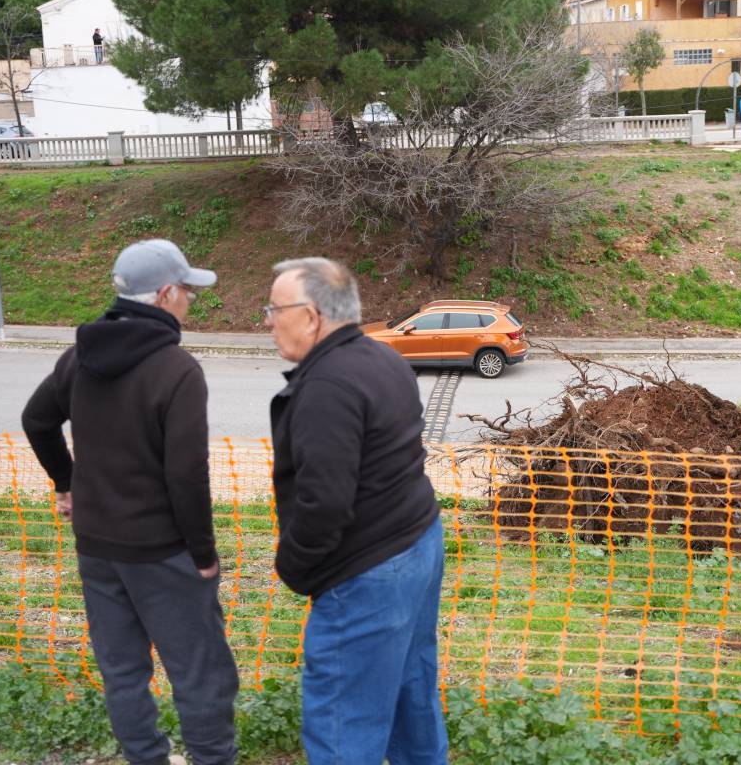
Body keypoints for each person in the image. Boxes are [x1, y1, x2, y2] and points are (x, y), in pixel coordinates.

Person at [22, 239, 238, 765]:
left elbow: (37, 420)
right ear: (164, 295)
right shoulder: (176, 369)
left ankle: (147, 758)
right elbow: (186, 474)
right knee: (200, 671)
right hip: (163, 551)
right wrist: (203, 554)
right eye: (186, 291)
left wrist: (67, 482)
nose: (189, 301)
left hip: (97, 546)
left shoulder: (80, 357)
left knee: (122, 671)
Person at [266, 257, 447, 765]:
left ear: (311, 316)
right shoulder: (384, 359)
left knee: (345, 727)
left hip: (367, 574)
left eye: (275, 309)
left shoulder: (328, 387)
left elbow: (324, 504)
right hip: (418, 543)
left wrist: (292, 567)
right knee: (412, 695)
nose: (268, 321)